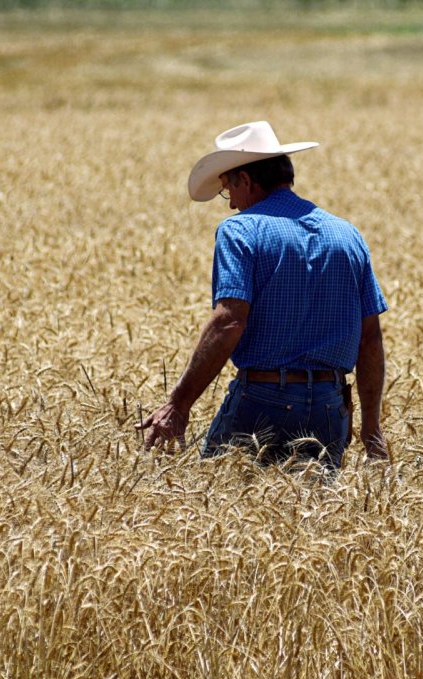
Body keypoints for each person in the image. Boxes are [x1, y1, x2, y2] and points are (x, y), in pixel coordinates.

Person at [137, 120, 389, 469]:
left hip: (261, 399)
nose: (230, 204)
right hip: (330, 406)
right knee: (314, 503)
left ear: (245, 179)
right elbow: (370, 338)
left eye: (228, 189)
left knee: (219, 496)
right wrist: (371, 428)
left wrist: (178, 404)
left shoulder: (241, 230)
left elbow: (228, 322)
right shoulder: (347, 235)